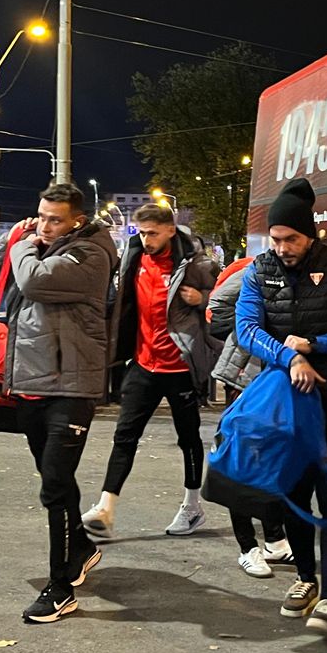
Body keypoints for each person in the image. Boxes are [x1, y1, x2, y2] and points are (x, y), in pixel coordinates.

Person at [0, 182, 118, 624]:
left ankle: (60, 588)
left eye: (54, 219)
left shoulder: (91, 254)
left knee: (54, 485)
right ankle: (79, 548)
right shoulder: (35, 244)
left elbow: (34, 281)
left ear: (77, 219)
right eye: (40, 216)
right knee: (53, 477)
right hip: (31, 381)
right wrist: (12, 238)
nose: (44, 225)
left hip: (72, 386)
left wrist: (23, 244)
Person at [234, 177, 327, 634]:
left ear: (310, 235)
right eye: (276, 238)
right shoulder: (259, 269)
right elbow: (246, 328)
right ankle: (307, 580)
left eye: (291, 238)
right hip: (286, 403)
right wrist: (290, 358)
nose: (283, 247)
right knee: (291, 493)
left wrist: (315, 344)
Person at [80, 205, 221, 539]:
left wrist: (200, 297)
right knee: (124, 436)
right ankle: (106, 506)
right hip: (143, 364)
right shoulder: (133, 258)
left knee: (188, 438)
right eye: (141, 233)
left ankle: (192, 506)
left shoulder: (197, 264)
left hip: (180, 365)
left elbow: (223, 302)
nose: (146, 240)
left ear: (171, 230)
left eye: (152, 233)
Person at [208, 255, 293, 578]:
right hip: (247, 374)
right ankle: (248, 547)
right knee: (240, 461)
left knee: (271, 461)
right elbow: (218, 306)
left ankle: (274, 539)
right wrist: (254, 328)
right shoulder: (258, 269)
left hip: (275, 378)